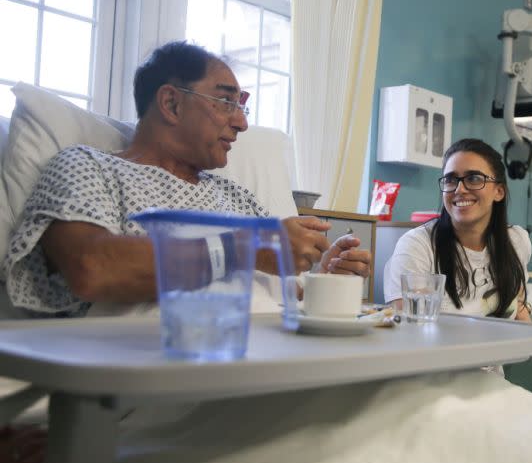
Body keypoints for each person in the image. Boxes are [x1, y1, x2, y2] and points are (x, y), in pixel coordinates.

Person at [2, 41, 371, 317]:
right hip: (162, 370)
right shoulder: (89, 168)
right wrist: (245, 247)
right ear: (172, 104)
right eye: (227, 102)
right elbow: (91, 268)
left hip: (268, 352)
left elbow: (282, 291)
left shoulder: (238, 197)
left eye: (243, 106)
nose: (242, 122)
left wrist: (326, 277)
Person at [384, 138, 531, 320]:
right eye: (450, 180)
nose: (460, 189)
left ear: (499, 192)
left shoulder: (516, 240)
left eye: (474, 178)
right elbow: (410, 329)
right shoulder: (417, 247)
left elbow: (519, 308)